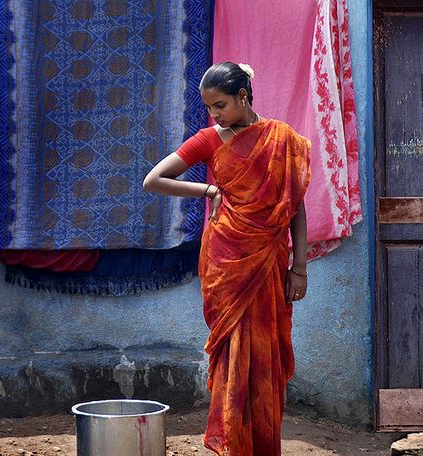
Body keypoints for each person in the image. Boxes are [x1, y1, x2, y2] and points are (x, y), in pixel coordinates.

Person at [143, 62, 311, 456]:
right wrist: (207, 190)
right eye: (209, 108)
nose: (214, 115)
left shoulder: (280, 138)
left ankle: (262, 444)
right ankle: (233, 442)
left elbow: (295, 208)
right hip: (227, 262)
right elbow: (154, 180)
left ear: (244, 97)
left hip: (269, 259)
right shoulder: (208, 139)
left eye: (220, 106)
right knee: (232, 351)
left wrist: (299, 268)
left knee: (266, 352)